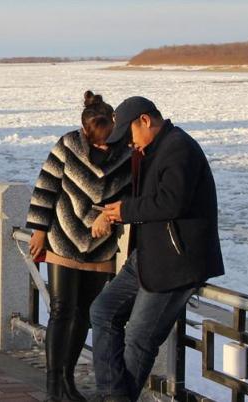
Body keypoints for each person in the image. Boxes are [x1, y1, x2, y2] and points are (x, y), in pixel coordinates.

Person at [88, 97, 225, 402]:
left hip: (175, 261)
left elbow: (171, 202)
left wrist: (125, 211)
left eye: (130, 136)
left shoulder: (179, 147)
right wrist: (113, 210)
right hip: (147, 256)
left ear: (145, 121)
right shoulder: (151, 149)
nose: (129, 144)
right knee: (102, 310)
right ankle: (112, 394)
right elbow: (141, 198)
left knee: (139, 337)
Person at [27, 91, 132, 402]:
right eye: (98, 139)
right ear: (86, 131)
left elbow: (130, 195)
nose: (104, 144)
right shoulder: (68, 145)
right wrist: (38, 230)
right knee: (61, 310)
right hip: (63, 238)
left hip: (101, 247)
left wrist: (111, 217)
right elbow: (45, 186)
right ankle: (53, 386)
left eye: (108, 137)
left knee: (85, 314)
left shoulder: (125, 153)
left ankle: (68, 379)